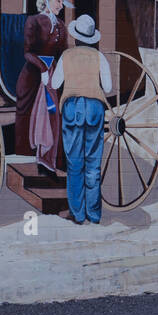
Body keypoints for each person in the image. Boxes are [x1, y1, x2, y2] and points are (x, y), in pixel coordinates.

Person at [51, 14, 112, 224]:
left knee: (75, 163)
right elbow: (109, 87)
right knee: (93, 163)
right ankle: (94, 214)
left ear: (76, 37)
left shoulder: (67, 56)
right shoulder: (99, 58)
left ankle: (77, 213)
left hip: (72, 108)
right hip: (95, 108)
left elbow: (56, 82)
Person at [15, 0, 71, 174]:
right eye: (57, 1)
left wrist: (61, 72)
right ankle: (40, 160)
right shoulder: (33, 21)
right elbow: (27, 52)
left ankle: (52, 162)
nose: (60, 5)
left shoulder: (62, 26)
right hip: (34, 74)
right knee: (40, 116)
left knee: (56, 115)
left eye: (61, 2)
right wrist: (42, 69)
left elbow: (64, 53)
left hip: (54, 74)